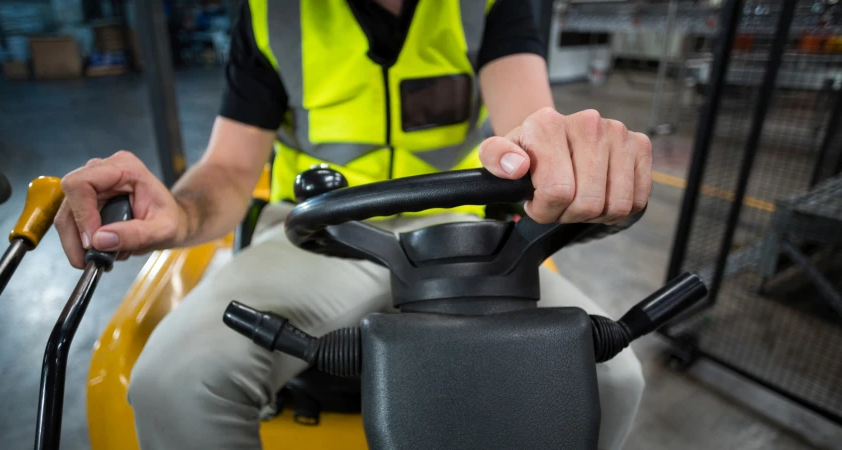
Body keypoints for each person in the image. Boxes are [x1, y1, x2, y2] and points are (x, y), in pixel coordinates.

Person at [54, 0, 652, 448]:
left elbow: (529, 121)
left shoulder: (488, 5)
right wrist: (180, 210)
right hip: (319, 238)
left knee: (613, 375)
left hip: (460, 240)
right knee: (174, 379)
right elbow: (232, 168)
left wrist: (561, 150)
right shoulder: (271, 13)